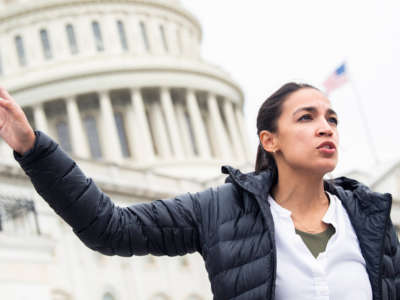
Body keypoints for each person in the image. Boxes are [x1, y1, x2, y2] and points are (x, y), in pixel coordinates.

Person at [0, 82, 398, 300]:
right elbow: (111, 227)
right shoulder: (220, 210)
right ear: (270, 140)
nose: (326, 127)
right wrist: (32, 148)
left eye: (331, 118)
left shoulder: (371, 219)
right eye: (306, 117)